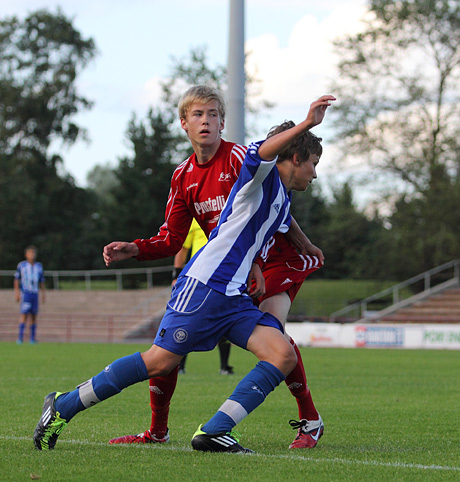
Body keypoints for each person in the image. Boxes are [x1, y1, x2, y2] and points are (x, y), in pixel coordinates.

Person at [33, 94, 335, 453]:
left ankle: (215, 430)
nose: (314, 174)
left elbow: (268, 224)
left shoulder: (281, 197)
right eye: (312, 164)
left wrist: (302, 245)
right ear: (295, 158)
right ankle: (62, 407)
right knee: (160, 361)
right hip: (206, 285)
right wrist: (307, 124)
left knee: (281, 353)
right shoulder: (257, 172)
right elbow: (260, 154)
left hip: (234, 295)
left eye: (212, 114)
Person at [173, 219, 234, 376]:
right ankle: (179, 366)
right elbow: (183, 248)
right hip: (197, 276)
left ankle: (224, 366)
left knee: (224, 321)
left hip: (223, 274)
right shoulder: (193, 219)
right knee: (187, 321)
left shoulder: (227, 211)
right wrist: (176, 274)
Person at [15, 246, 45, 344]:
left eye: (33, 253)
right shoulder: (22, 265)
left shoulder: (39, 266)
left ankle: (32, 338)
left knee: (34, 315)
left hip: (35, 294)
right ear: (26, 255)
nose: (32, 255)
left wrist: (43, 293)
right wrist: (17, 293)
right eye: (30, 253)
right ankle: (20, 338)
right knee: (24, 314)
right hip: (26, 293)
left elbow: (41, 281)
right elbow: (16, 279)